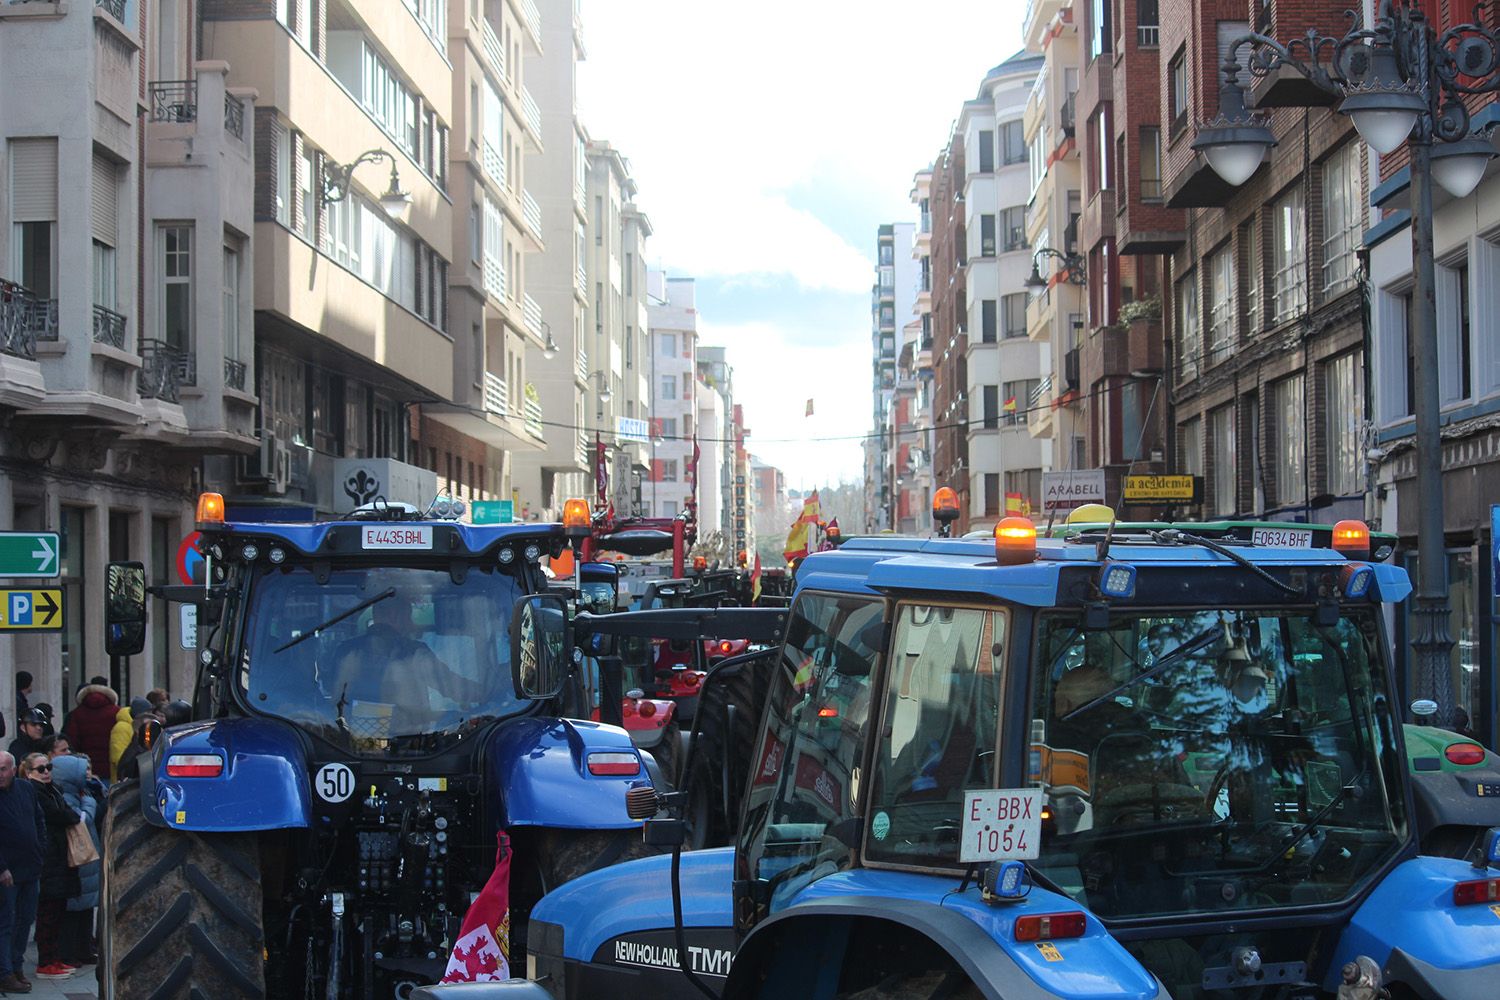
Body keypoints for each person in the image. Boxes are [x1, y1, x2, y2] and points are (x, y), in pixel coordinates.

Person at [21, 753, 80, 980]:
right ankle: (46, 962)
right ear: (28, 772)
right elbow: (60, 814)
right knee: (47, 912)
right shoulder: (34, 792)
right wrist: (71, 815)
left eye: (48, 767)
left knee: (57, 911)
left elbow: (65, 811)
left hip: (58, 856)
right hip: (47, 858)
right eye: (40, 769)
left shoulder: (52, 789)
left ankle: (53, 958)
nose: (46, 772)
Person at [0, 750, 44, 994]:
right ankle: (4, 972)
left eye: (3, 769)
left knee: (25, 920)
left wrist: (41, 850)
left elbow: (39, 820)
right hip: (7, 872)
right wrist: (1, 867)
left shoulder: (26, 790)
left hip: (30, 867)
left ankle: (16, 966)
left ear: (14, 769)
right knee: (6, 922)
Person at [49, 754, 98, 968]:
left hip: (87, 864)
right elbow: (81, 820)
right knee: (74, 911)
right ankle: (70, 952)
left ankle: (84, 949)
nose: (86, 774)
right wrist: (89, 803)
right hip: (78, 862)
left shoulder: (79, 793)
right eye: (82, 770)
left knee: (85, 910)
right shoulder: (67, 798)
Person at [61, 682, 118, 779]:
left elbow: (72, 741)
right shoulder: (116, 712)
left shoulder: (76, 714)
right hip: (110, 768)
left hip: (85, 768)